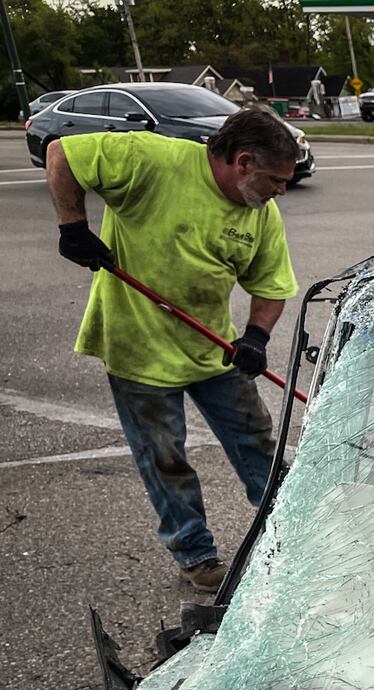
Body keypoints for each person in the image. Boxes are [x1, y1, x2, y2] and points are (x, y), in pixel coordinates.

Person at [46, 107, 299, 593]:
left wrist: (256, 339)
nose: (281, 191)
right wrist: (71, 225)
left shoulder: (260, 213)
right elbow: (62, 153)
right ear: (243, 162)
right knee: (165, 457)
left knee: (258, 445)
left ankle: (294, 530)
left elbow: (272, 284)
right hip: (138, 345)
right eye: (276, 179)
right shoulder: (150, 159)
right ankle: (196, 555)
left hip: (212, 348)